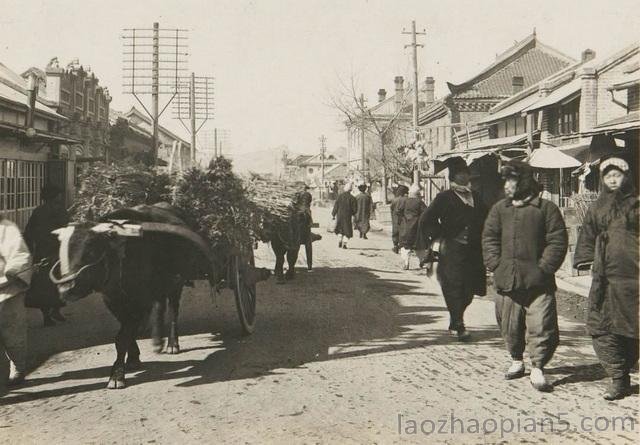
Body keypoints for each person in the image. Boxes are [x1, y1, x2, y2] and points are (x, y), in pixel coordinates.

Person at [482, 160, 568, 392]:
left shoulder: (546, 209)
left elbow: (557, 241)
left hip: (538, 282)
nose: (507, 186)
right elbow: (489, 238)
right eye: (506, 180)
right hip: (506, 280)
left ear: (523, 182)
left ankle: (538, 367)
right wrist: (495, 264)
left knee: (541, 324)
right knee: (509, 324)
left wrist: (544, 268)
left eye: (511, 180)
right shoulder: (500, 209)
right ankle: (516, 360)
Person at [573, 157, 639, 400]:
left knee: (632, 328)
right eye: (608, 175)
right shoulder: (596, 207)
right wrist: (586, 259)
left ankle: (627, 366)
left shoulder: (636, 204)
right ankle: (618, 377)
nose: (612, 179)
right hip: (604, 278)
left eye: (617, 175)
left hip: (633, 279)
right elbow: (588, 235)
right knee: (601, 327)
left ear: (626, 177)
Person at [418, 157, 487, 341]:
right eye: (460, 174)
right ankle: (459, 323)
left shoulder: (477, 197)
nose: (464, 176)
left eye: (466, 173)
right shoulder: (444, 198)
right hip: (452, 250)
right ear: (453, 177)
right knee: (453, 286)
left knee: (469, 290)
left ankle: (455, 318)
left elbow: (488, 220)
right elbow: (426, 220)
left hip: (473, 251)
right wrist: (443, 234)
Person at [24, 184, 69, 326]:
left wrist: (30, 250)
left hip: (47, 252)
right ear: (54, 196)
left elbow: (28, 233)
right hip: (54, 252)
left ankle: (50, 314)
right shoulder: (59, 211)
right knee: (54, 283)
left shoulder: (39, 211)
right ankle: (52, 313)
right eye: (58, 195)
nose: (60, 197)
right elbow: (68, 231)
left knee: (46, 285)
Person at [0, 216, 33, 386]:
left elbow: (20, 254)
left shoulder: (6, 228)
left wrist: (13, 270)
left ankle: (18, 367)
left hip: (6, 290)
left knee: (12, 333)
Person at [396, 184, 427, 269]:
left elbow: (398, 211)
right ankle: (422, 262)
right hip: (417, 226)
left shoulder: (405, 201)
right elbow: (426, 213)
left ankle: (406, 263)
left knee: (405, 245)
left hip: (405, 226)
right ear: (418, 193)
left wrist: (402, 220)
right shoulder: (419, 202)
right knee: (419, 246)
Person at [332, 182, 357, 249]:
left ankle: (340, 240)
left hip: (339, 215)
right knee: (347, 229)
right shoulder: (352, 198)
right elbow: (355, 209)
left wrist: (333, 214)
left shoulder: (340, 196)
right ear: (350, 190)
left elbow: (336, 206)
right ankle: (345, 244)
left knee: (340, 228)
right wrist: (354, 215)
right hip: (347, 216)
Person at [297, 183, 314, 271]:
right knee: (308, 243)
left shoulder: (298, 194)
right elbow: (309, 203)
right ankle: (309, 266)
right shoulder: (308, 195)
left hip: (298, 213)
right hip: (306, 214)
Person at [390, 185, 409, 253]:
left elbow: (391, 208)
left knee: (395, 231)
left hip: (395, 218)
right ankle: (402, 246)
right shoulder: (407, 199)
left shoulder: (394, 200)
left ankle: (395, 246)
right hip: (404, 218)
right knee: (403, 232)